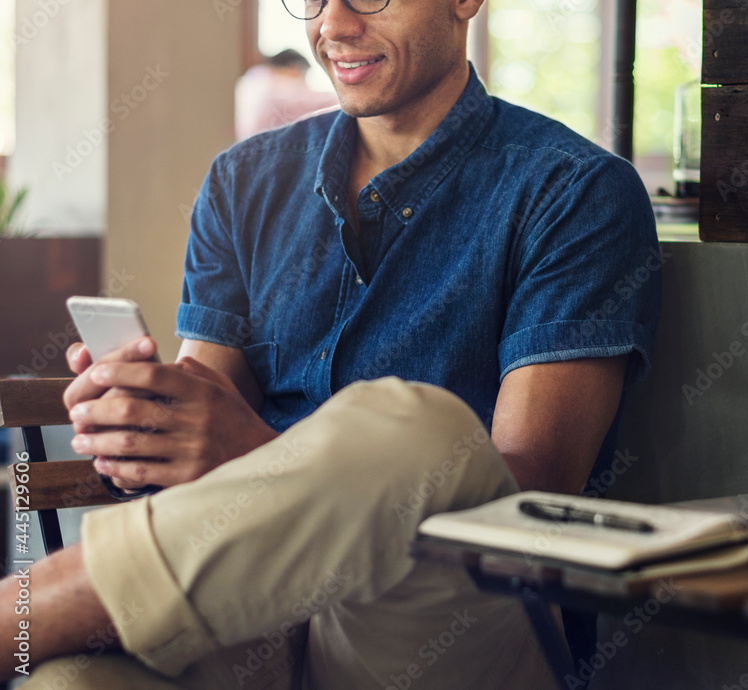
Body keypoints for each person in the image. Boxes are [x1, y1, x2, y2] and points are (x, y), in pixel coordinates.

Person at [1, 0, 661, 687]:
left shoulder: (575, 192)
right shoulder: (242, 182)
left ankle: (12, 618)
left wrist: (253, 451)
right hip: (255, 614)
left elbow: (527, 498)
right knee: (71, 683)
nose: (333, 26)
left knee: (420, 433)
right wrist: (149, 425)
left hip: (448, 620)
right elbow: (206, 422)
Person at [235, 48, 339, 141]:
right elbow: (317, 102)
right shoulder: (277, 85)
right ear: (295, 67)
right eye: (303, 75)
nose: (303, 82)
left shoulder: (252, 79)